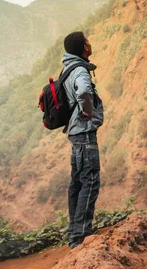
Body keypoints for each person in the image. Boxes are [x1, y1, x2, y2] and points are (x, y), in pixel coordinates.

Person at [61, 31, 104, 249]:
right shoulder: (80, 70)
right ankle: (82, 236)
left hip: (75, 134)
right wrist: (88, 114)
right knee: (90, 181)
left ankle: (75, 234)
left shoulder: (68, 68)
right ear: (84, 48)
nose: (90, 43)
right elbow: (85, 91)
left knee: (77, 183)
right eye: (88, 41)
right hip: (84, 132)